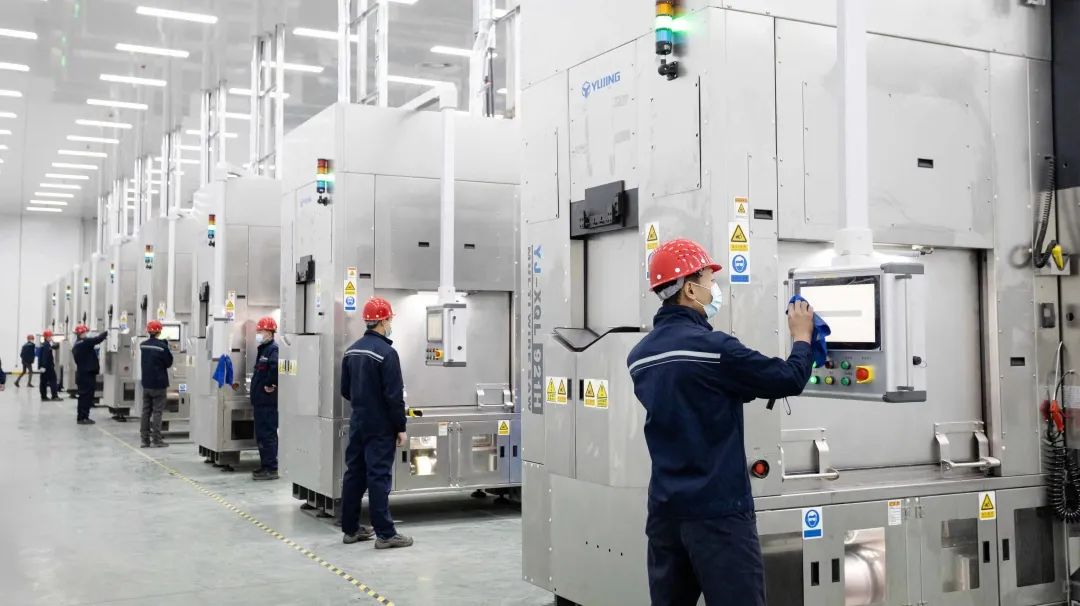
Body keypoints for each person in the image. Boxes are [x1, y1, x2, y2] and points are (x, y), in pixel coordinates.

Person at [626, 239, 815, 606]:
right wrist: (802, 337)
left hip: (665, 512)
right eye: (709, 281)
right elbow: (788, 378)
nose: (714, 289)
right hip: (718, 514)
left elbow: (691, 399)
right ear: (689, 288)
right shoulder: (715, 349)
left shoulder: (640, 357)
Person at [339, 297, 413, 549]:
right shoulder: (387, 353)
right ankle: (385, 534)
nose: (390, 323)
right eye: (389, 319)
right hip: (380, 426)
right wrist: (400, 427)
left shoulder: (352, 351)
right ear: (382, 321)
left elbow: (345, 390)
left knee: (354, 474)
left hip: (358, 421)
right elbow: (394, 397)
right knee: (378, 477)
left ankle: (350, 530)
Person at [251, 316, 280, 481]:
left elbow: (275, 369)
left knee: (268, 434)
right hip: (260, 401)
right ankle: (265, 465)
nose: (258, 334)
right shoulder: (263, 349)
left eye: (260, 331)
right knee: (261, 435)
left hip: (268, 402)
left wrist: (270, 384)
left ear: (269, 332)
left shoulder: (273, 349)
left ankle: (271, 468)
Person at [139, 321, 173, 447]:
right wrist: (165, 345)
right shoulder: (162, 346)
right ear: (159, 331)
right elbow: (168, 363)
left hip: (146, 383)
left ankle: (144, 440)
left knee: (145, 412)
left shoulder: (143, 345)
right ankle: (156, 439)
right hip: (159, 384)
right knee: (157, 412)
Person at [71, 324, 108, 425]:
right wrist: (108, 331)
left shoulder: (76, 344)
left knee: (83, 396)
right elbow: (97, 339)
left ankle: (81, 417)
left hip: (82, 374)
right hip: (86, 375)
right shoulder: (84, 342)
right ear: (81, 333)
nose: (86, 334)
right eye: (85, 332)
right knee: (86, 397)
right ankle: (84, 417)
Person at [37, 330, 61, 402]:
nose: (51, 337)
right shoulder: (47, 345)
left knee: (43, 381)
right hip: (48, 366)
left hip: (44, 366)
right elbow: (45, 356)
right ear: (47, 337)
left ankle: (43, 396)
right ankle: (54, 396)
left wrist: (41, 366)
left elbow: (41, 356)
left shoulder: (44, 344)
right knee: (53, 380)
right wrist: (44, 366)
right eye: (50, 336)